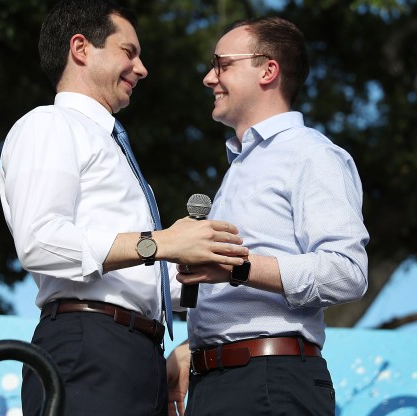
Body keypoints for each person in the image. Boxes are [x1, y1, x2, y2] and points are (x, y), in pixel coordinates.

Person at [0, 1, 248, 415]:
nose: (142, 68)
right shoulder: (48, 125)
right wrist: (162, 243)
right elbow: (39, 242)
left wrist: (209, 265)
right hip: (88, 347)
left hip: (140, 356)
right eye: (128, 52)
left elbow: (143, 277)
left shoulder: (115, 149)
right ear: (81, 48)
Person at [166, 16, 369, 416]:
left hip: (270, 382)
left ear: (268, 70)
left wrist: (237, 267)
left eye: (222, 64)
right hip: (223, 384)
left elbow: (347, 272)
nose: (209, 78)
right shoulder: (241, 165)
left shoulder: (312, 154)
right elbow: (232, 293)